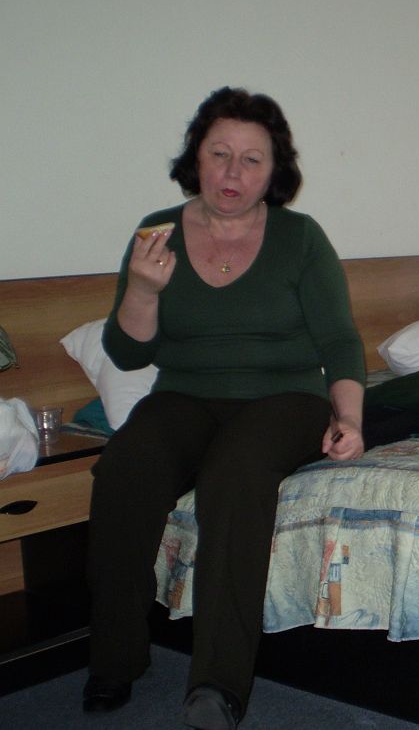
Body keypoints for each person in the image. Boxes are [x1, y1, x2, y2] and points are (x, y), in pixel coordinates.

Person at [82, 87, 366, 729]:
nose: (233, 172)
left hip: (285, 398)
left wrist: (349, 418)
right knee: (125, 465)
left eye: (251, 159)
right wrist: (144, 290)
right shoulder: (156, 234)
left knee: (234, 476)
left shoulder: (300, 238)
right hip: (184, 395)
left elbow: (340, 342)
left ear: (274, 171)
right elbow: (126, 353)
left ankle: (218, 684)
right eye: (219, 154)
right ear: (197, 158)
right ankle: (115, 657)